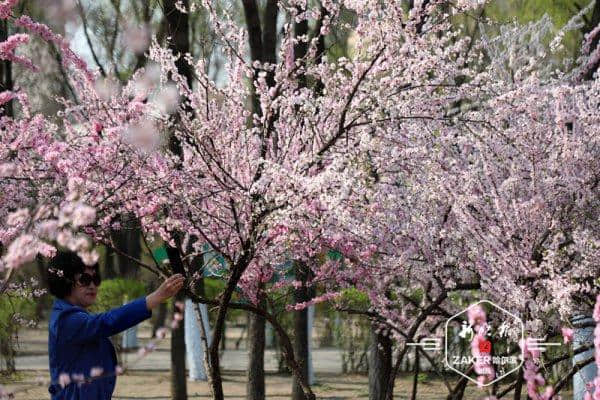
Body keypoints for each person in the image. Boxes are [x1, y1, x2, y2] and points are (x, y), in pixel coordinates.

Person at [46, 251, 185, 399]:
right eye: (85, 280)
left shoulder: (75, 315)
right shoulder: (65, 319)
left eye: (96, 279)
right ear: (65, 281)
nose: (92, 285)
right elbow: (106, 322)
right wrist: (154, 299)